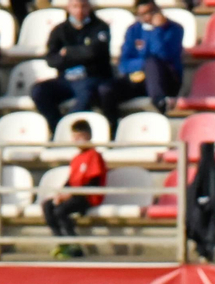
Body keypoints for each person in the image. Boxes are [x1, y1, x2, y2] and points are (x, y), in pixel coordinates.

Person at [31, 0, 113, 134]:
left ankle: (67, 130)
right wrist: (79, 54)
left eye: (83, 6)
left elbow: (93, 52)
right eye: (75, 7)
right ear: (68, 8)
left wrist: (68, 52)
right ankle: (57, 128)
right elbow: (51, 59)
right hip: (66, 79)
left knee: (86, 95)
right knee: (39, 91)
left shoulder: (100, 27)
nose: (79, 11)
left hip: (91, 78)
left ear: (89, 7)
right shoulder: (60, 30)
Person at [98, 0, 184, 117]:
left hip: (165, 80)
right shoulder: (133, 30)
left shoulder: (174, 29)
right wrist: (143, 65)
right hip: (139, 79)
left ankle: (160, 103)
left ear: (158, 10)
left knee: (152, 63)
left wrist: (157, 30)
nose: (148, 16)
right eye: (143, 14)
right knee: (106, 89)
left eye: (152, 12)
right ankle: (112, 124)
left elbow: (164, 56)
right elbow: (124, 63)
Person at [43, 118, 105, 258]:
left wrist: (70, 194)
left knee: (61, 210)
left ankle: (74, 245)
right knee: (48, 205)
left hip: (87, 197)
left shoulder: (94, 156)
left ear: (88, 136)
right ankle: (62, 242)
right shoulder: (77, 158)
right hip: (75, 195)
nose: (76, 140)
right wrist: (61, 194)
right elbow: (71, 181)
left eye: (80, 137)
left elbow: (93, 183)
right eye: (74, 137)